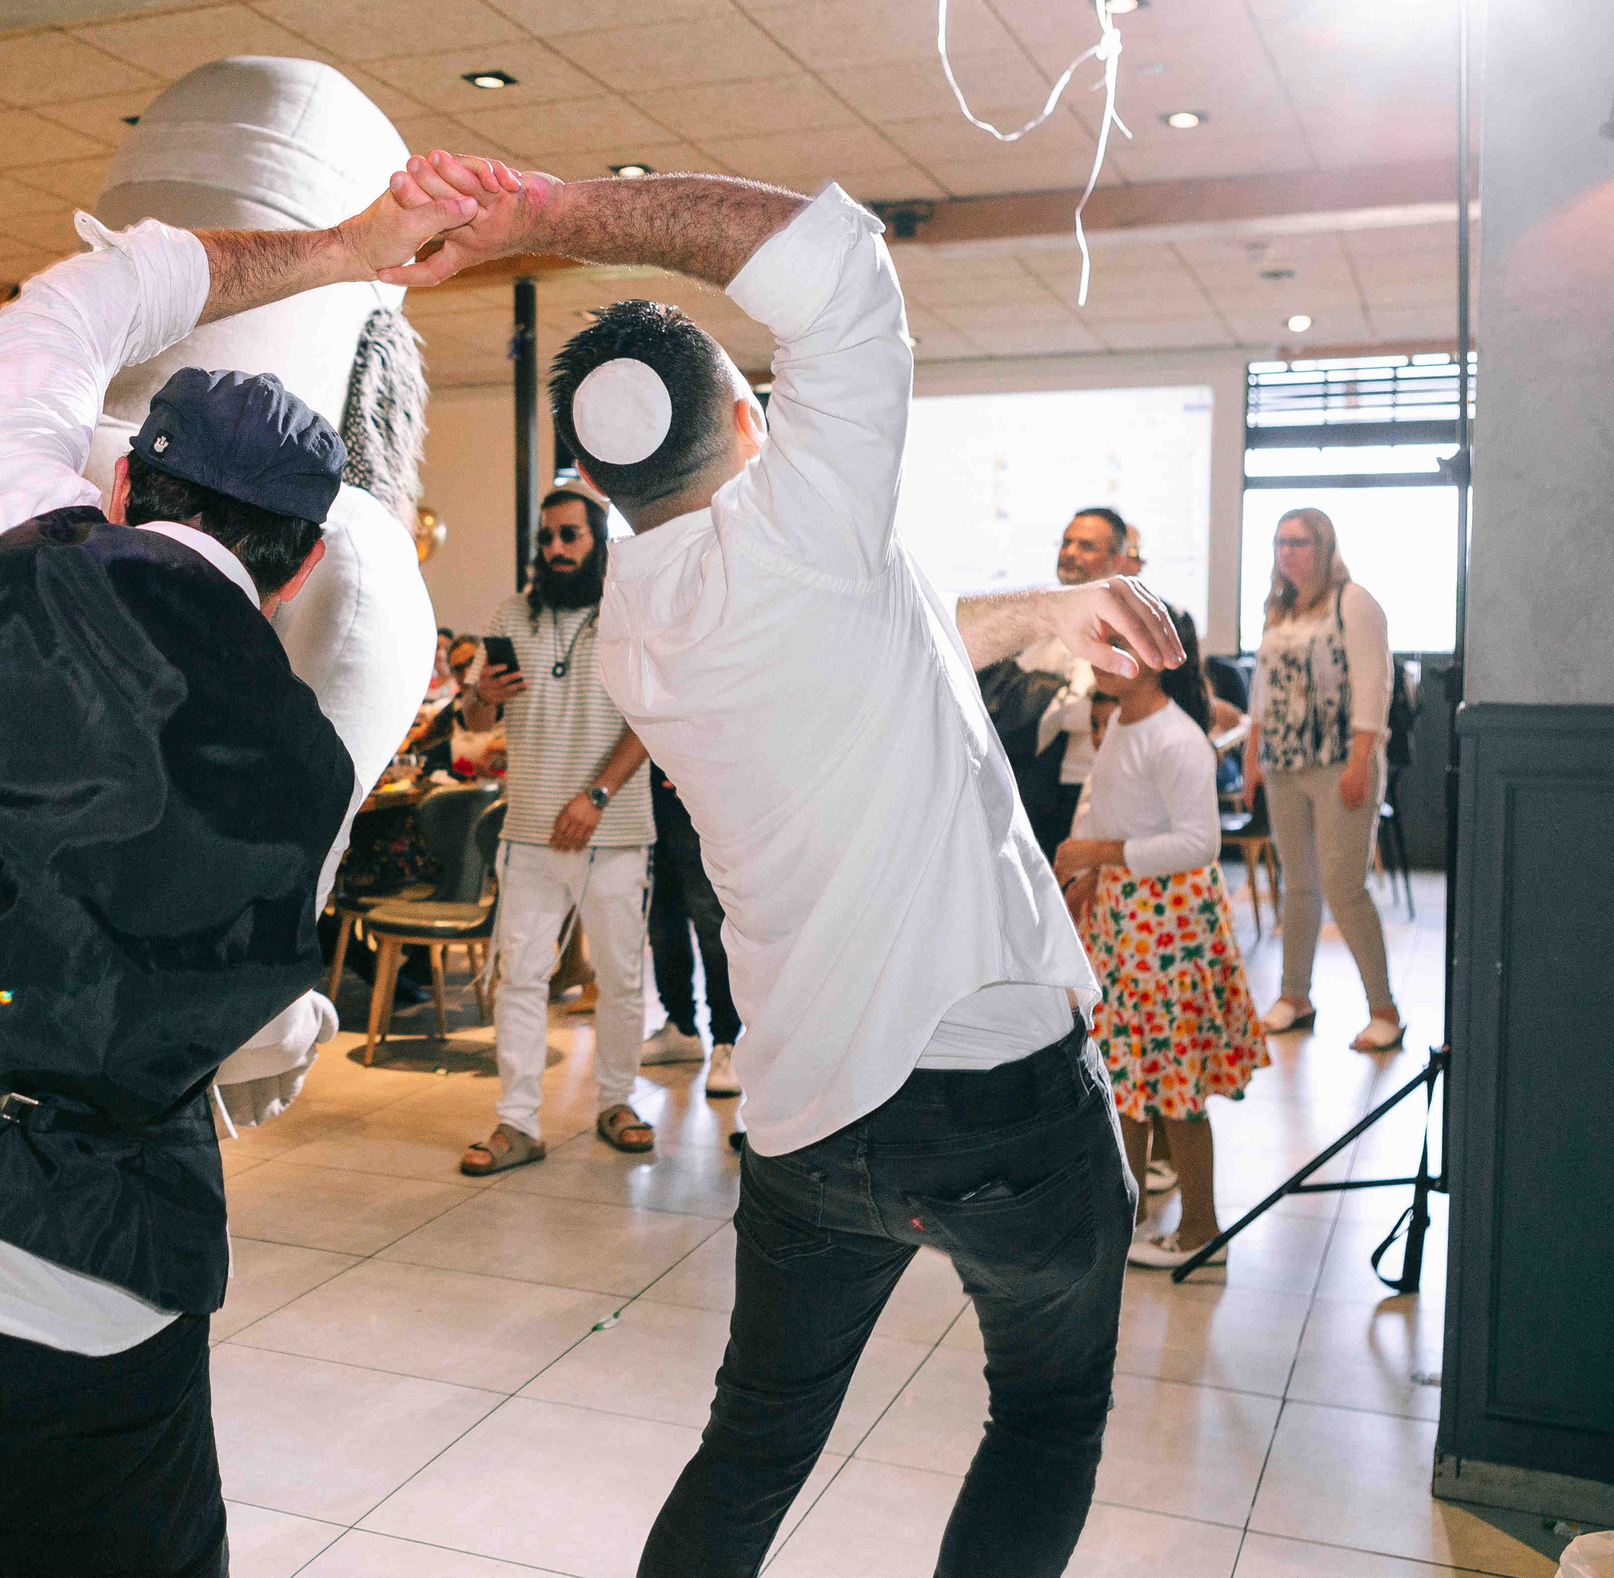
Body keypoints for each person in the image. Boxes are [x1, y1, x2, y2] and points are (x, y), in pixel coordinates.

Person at [380, 150, 1181, 1578]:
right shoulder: (806, 523)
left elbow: (902, 610)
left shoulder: (638, 611)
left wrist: (1051, 609)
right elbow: (841, 267)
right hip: (998, 1094)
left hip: (814, 1122)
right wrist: (558, 212)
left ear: (599, 484)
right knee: (1046, 1419)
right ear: (751, 418)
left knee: (749, 1453)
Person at [0, 168, 475, 1578]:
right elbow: (221, 1023)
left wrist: (354, 244)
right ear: (301, 567)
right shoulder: (301, 773)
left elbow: (99, 290)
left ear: (120, 477)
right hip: (77, 1293)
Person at [1052, 605, 1267, 1268]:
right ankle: (1133, 1211)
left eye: (1116, 642)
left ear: (1156, 655)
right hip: (1130, 915)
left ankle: (1201, 1227)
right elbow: (1108, 801)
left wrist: (1099, 850)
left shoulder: (1177, 738)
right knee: (1131, 1071)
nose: (1100, 650)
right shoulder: (1121, 718)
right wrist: (1091, 868)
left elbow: (1199, 842)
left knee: (1175, 1085)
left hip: (1168, 922)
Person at [454, 487, 658, 1173]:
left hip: (614, 826)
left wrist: (595, 795)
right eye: (547, 539)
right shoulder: (514, 613)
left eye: (569, 536)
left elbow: (651, 719)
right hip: (530, 830)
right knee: (520, 977)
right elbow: (478, 725)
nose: (555, 550)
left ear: (599, 541)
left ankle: (618, 1101)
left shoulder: (630, 614)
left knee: (623, 979)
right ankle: (516, 1122)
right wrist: (484, 695)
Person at [1247, 507, 1403, 1052]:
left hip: (1341, 761)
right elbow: (1261, 692)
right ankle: (1296, 996)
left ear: (1325, 546)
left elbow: (1373, 683)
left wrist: (1362, 759)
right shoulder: (1278, 608)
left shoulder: (1352, 601)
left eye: (1300, 542)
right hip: (1284, 764)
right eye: (1281, 542)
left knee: (1344, 886)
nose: (1288, 552)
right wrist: (1252, 755)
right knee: (1299, 885)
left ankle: (1384, 1009)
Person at [988, 507, 1130, 858]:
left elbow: (1086, 713)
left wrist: (1043, 700)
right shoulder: (1040, 614)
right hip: (1029, 783)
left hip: (1085, 785)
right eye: (1067, 543)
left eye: (1086, 546)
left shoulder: (1122, 624)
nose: (1070, 553)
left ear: (1116, 561)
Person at [640, 764, 742, 1098]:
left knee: (712, 923)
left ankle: (726, 1043)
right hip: (646, 792)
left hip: (700, 789)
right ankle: (681, 1027)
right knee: (662, 920)